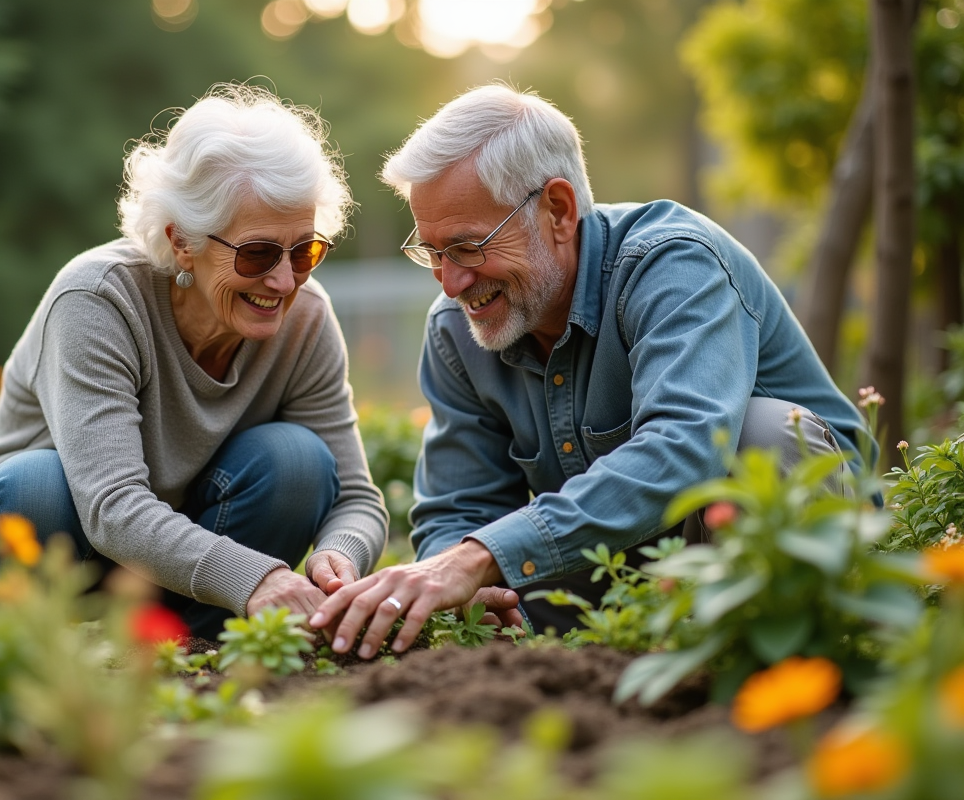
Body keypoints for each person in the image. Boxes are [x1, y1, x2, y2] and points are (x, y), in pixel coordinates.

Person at [309, 83, 872, 658]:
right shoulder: (457, 328)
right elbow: (460, 506)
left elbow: (684, 446)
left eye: (469, 247)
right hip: (616, 570)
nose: (451, 282)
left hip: (767, 541)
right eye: (433, 253)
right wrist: (471, 585)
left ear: (558, 210)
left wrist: (481, 557)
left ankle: (776, 663)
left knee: (763, 437)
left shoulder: (672, 264)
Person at [0, 85, 388, 638]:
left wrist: (340, 557)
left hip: (180, 558)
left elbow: (356, 497)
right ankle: (21, 646)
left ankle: (193, 645)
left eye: (305, 250)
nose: (284, 281)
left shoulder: (307, 319)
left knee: (297, 462)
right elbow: (111, 505)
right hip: (66, 536)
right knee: (34, 486)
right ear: (182, 242)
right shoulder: (97, 301)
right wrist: (257, 579)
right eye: (257, 253)